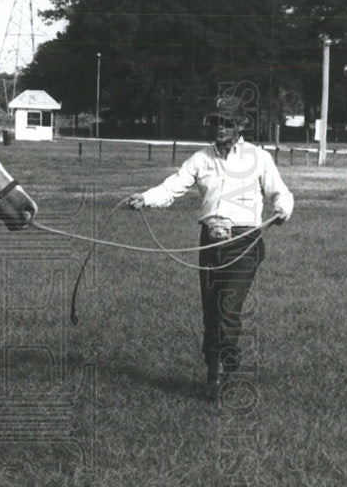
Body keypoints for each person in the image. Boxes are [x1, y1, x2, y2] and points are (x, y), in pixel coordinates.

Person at [126, 95, 294, 401]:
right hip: (210, 244)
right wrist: (145, 198)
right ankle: (212, 375)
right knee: (211, 313)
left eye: (227, 122)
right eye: (216, 121)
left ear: (241, 125)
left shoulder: (259, 158)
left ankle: (229, 374)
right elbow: (172, 187)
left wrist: (282, 209)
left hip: (245, 243)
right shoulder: (200, 159)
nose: (220, 127)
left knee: (228, 309)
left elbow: (280, 192)